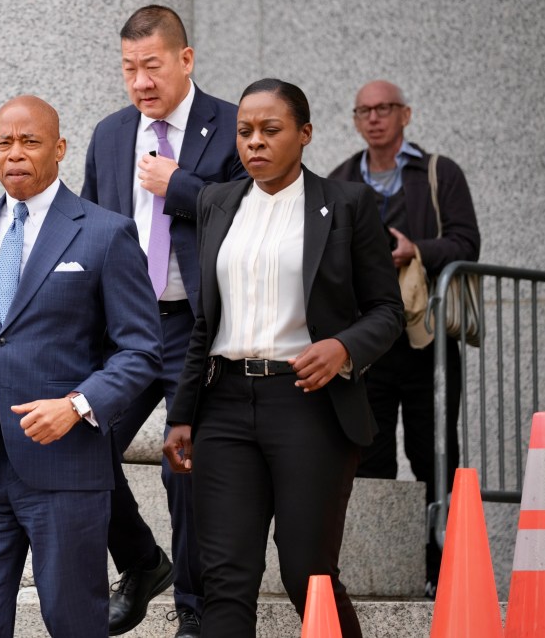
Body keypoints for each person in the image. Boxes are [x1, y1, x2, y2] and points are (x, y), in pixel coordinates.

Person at [163, 78, 404, 637]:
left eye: (271, 130)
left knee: (307, 572)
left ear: (305, 134)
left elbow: (386, 310)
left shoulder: (346, 204)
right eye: (245, 131)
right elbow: (207, 321)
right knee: (225, 580)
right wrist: (182, 412)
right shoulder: (216, 202)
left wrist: (343, 346)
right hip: (222, 406)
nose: (255, 142)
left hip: (308, 404)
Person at [0, 95, 163, 638]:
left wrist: (78, 406)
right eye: (4, 143)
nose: (16, 154)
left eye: (30, 141)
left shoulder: (105, 232)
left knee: (73, 622)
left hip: (67, 467)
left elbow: (143, 350)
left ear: (60, 148)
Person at [81, 4, 245, 638]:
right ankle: (144, 563)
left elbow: (251, 218)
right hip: (126, 327)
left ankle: (195, 615)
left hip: (195, 327)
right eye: (129, 69)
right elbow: (91, 233)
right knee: (84, 440)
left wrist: (179, 185)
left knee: (184, 464)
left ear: (185, 60)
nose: (141, 81)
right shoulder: (112, 134)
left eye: (152, 66)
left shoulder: (233, 126)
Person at [328, 79, 481, 596]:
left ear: (405, 114)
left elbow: (466, 242)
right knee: (368, 456)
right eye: (364, 110)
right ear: (355, 119)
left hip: (427, 340)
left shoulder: (437, 172)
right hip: (366, 339)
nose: (374, 118)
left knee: (435, 452)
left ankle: (445, 573)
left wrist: (414, 249)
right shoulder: (342, 177)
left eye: (384, 109)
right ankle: (383, 571)